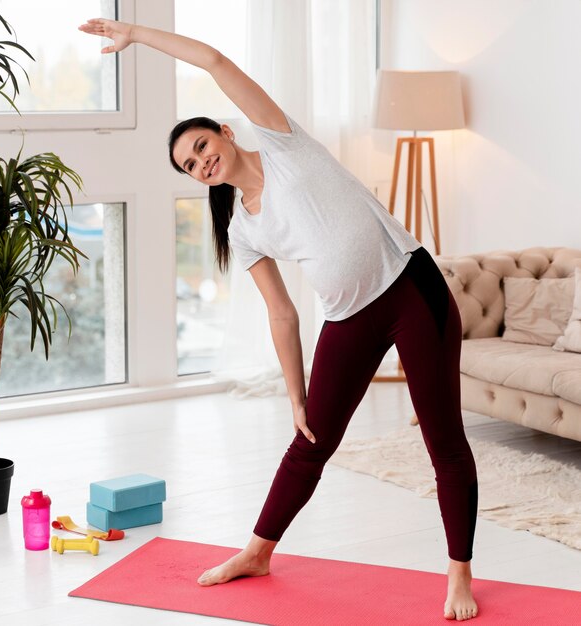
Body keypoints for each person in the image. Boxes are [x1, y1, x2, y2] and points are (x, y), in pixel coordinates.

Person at [79, 17, 479, 622]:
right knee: (310, 440)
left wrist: (137, 34)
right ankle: (257, 552)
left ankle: (459, 574)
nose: (201, 164)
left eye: (202, 148)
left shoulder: (284, 140)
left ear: (225, 132)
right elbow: (283, 315)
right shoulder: (243, 230)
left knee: (442, 438)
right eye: (189, 166)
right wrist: (296, 392)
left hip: (410, 290)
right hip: (348, 318)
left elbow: (213, 60)